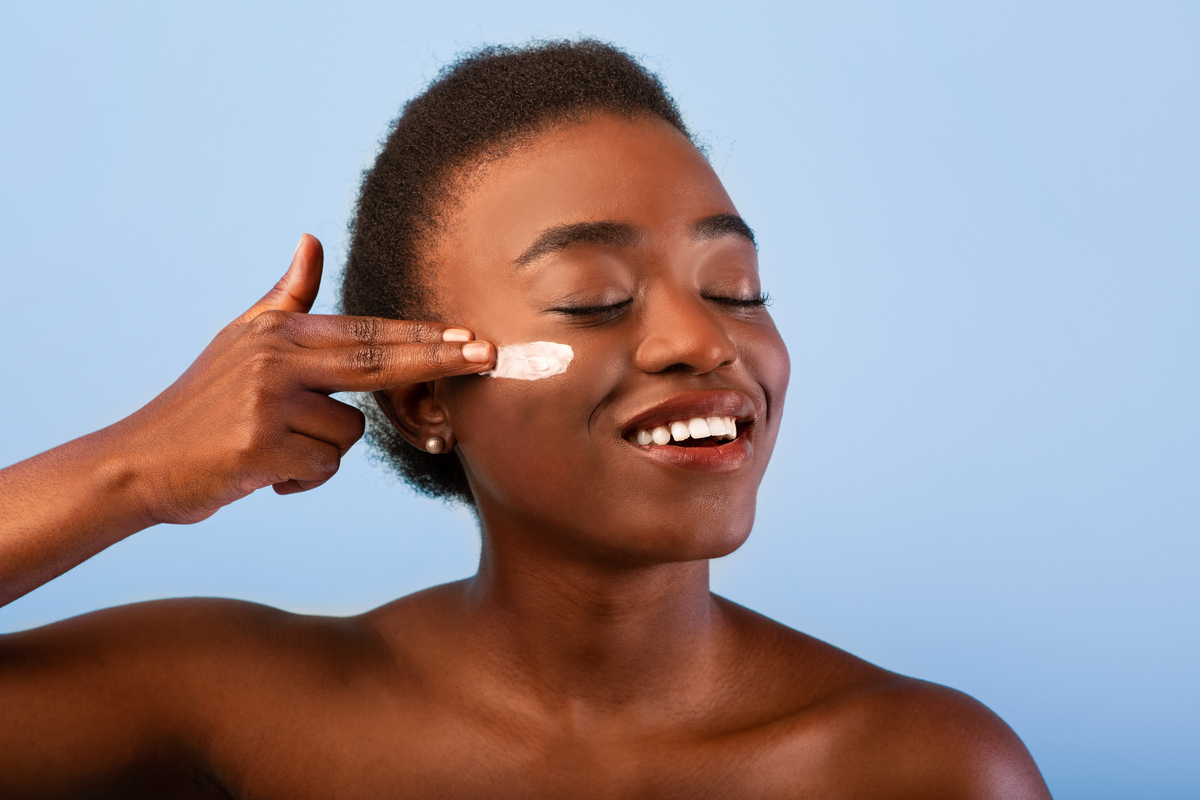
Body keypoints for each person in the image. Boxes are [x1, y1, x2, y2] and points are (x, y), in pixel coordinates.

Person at [0, 40, 1052, 798]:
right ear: (423, 399)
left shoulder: (923, 765)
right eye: (596, 297)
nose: (702, 338)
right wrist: (130, 466)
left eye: (736, 285)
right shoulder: (245, 708)